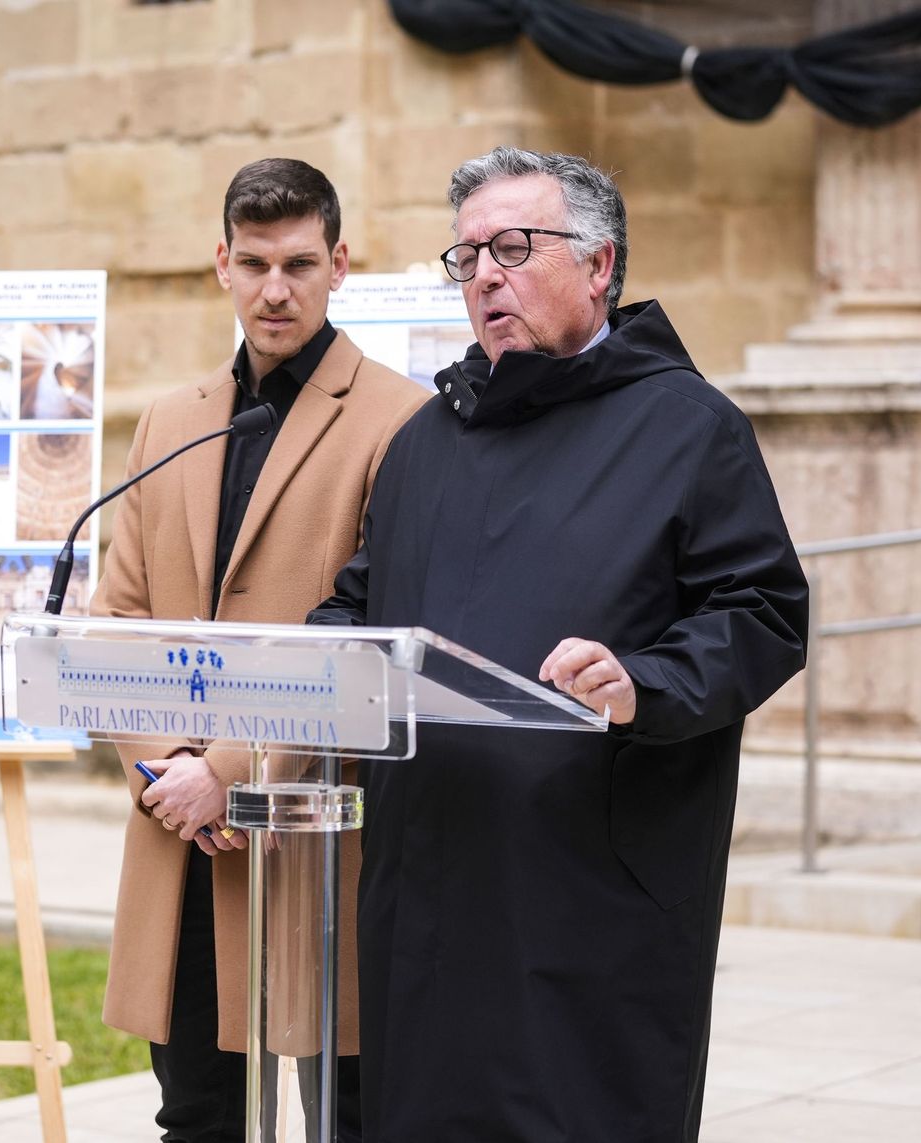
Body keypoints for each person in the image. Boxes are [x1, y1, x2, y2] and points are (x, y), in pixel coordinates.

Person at [310, 147, 809, 1141]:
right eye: (466, 257)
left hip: (587, 890)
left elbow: (760, 611)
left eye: (512, 247)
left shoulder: (687, 428)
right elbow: (362, 604)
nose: (485, 274)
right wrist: (315, 661)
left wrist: (644, 681)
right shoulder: (424, 443)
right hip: (427, 888)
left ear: (599, 265)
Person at [90, 158, 429, 1142]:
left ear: (338, 265)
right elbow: (117, 622)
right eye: (253, 264)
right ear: (220, 267)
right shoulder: (170, 420)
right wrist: (166, 772)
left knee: (348, 1116)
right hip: (182, 838)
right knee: (196, 1115)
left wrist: (227, 772)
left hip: (324, 838)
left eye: (297, 264)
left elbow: (373, 642)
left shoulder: (402, 423)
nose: (274, 289)